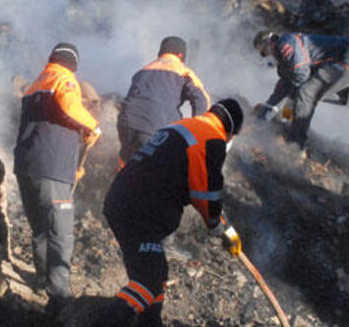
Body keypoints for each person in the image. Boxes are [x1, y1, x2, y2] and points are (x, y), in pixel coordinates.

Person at [98, 99, 245, 326]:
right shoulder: (211, 138)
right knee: (148, 282)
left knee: (156, 273)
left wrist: (227, 228)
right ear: (231, 131)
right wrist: (220, 228)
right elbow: (206, 194)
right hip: (140, 211)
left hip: (125, 201)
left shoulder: (183, 126)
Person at [14, 43, 101, 315]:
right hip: (51, 169)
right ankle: (59, 297)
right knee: (60, 234)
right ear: (72, 63)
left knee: (40, 228)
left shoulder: (37, 84)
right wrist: (92, 125)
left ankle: (43, 280)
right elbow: (68, 104)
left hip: (27, 168)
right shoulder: (64, 79)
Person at [253, 30, 349, 161]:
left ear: (269, 43)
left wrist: (283, 115)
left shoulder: (285, 43)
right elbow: (281, 91)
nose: (267, 56)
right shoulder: (289, 57)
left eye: (263, 53)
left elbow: (301, 75)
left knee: (305, 93)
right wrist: (263, 115)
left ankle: (295, 147)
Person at [116, 36, 210, 165]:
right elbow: (201, 100)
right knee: (157, 171)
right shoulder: (183, 71)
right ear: (181, 55)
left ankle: (121, 178)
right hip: (153, 128)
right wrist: (198, 134)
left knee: (128, 164)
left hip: (125, 125)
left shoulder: (143, 70)